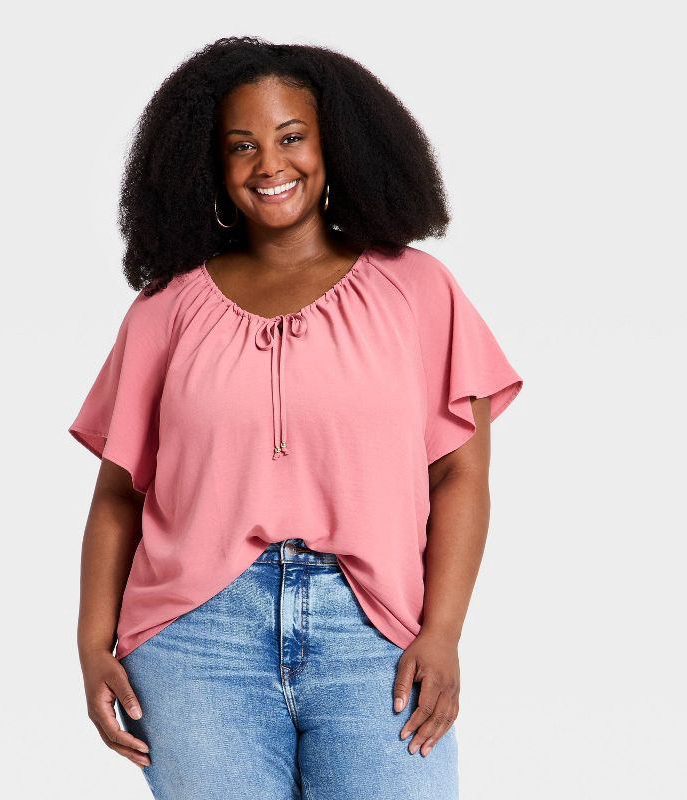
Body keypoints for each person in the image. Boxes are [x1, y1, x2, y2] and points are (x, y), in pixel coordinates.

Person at [68, 36, 523, 800]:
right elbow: (118, 496)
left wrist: (443, 632)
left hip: (375, 632)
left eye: (290, 137)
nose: (268, 164)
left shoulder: (417, 290)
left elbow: (461, 475)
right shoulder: (165, 309)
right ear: (212, 165)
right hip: (196, 642)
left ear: (332, 145)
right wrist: (91, 645)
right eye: (241, 145)